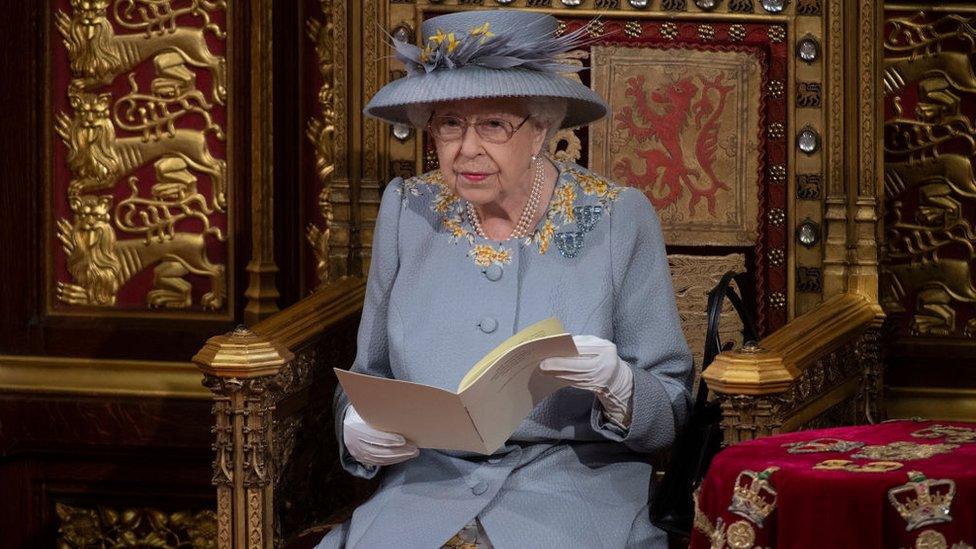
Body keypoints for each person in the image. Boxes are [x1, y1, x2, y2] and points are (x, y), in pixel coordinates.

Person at [319, 9, 692, 549]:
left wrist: (621, 386)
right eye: (449, 123)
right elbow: (366, 373)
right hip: (425, 494)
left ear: (541, 129)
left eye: (493, 124)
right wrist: (355, 428)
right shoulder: (408, 210)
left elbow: (672, 408)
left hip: (573, 496)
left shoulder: (617, 217)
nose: (466, 149)